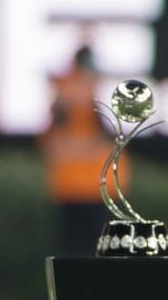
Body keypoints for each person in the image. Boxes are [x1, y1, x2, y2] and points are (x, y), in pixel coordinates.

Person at [40, 43, 124, 257]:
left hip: (87, 183)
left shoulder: (85, 90)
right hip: (81, 183)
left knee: (83, 249)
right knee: (86, 249)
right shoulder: (70, 91)